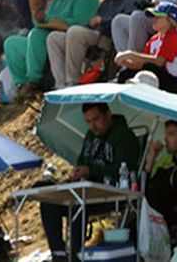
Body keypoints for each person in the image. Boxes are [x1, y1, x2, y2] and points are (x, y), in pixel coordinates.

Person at [39, 101, 141, 261]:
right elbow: (82, 162)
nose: (93, 125)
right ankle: (58, 254)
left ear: (108, 114)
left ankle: (75, 256)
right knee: (48, 200)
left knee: (78, 200)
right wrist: (79, 172)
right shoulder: (90, 136)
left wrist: (91, 171)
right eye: (88, 121)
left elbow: (124, 170)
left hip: (113, 192)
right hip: (87, 190)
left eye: (96, 119)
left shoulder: (124, 136)